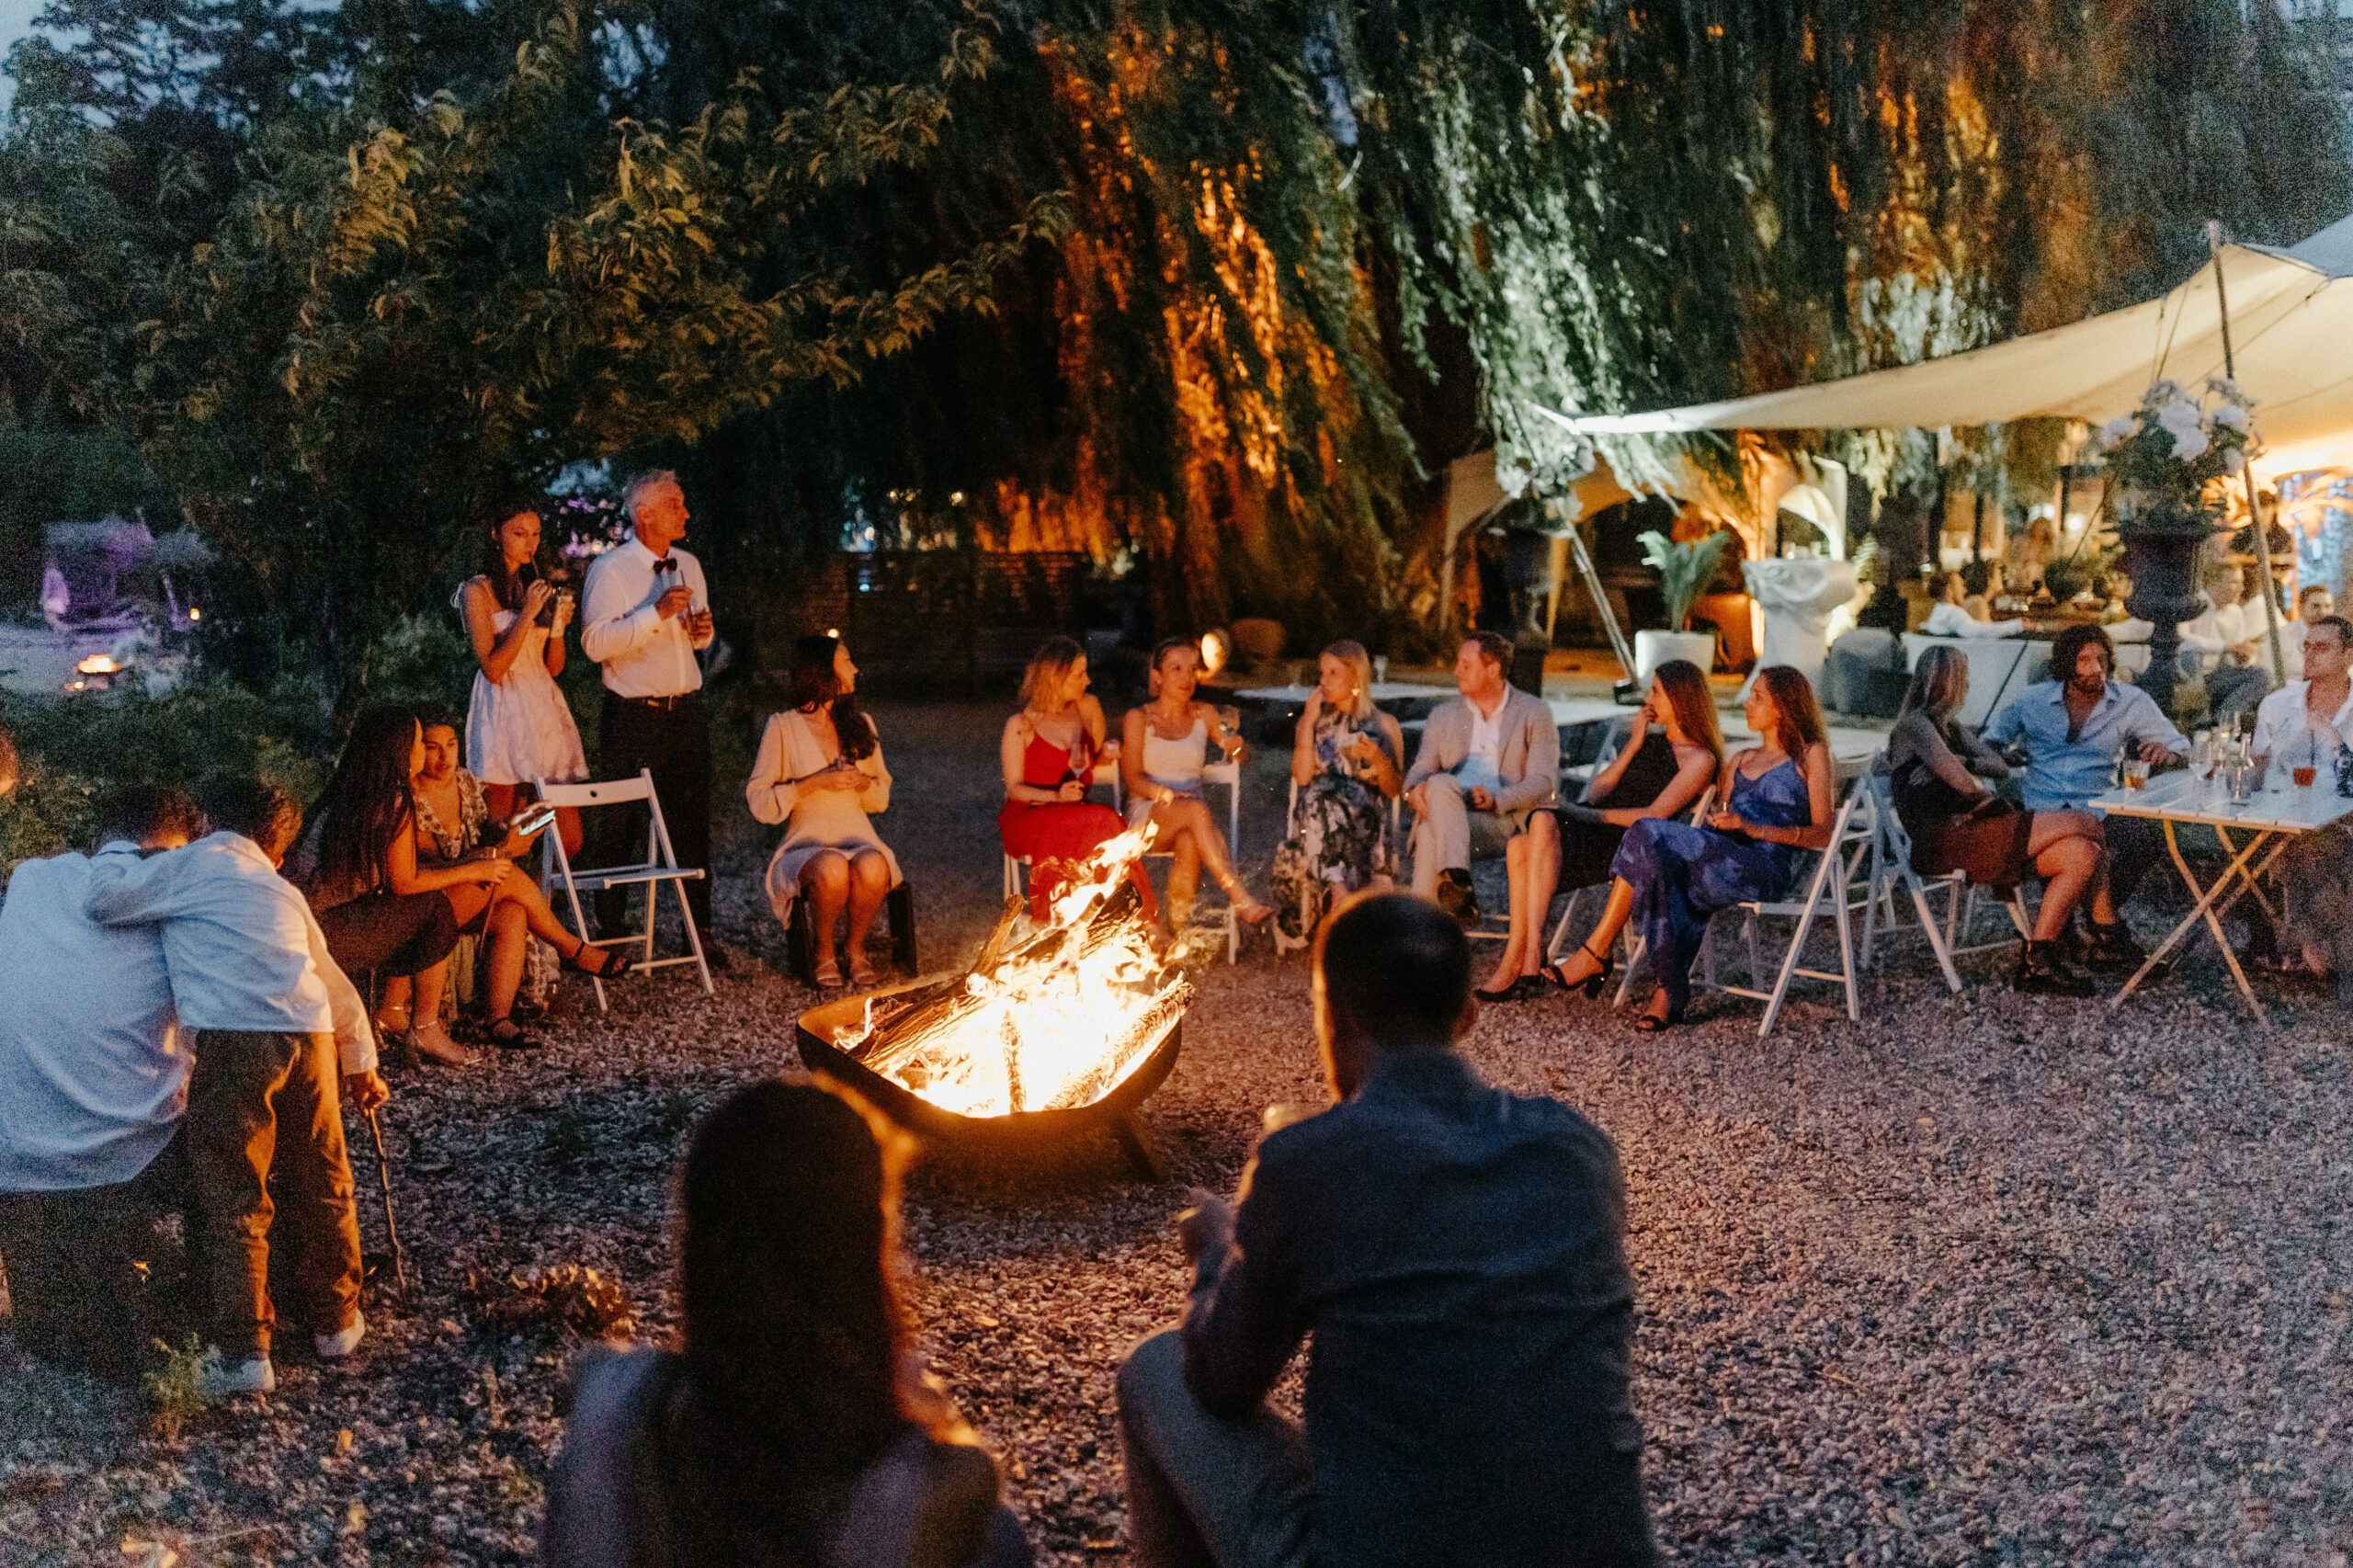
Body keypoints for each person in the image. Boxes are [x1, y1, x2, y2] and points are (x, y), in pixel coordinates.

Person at [1115, 892, 1655, 1568]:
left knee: (1155, 1369)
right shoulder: (1577, 1148)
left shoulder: (1306, 1162)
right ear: (1468, 1015)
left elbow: (1223, 1381)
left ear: (1329, 1014)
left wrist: (1219, 1251)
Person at [544, 1077, 1031, 1568]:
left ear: (699, 1252)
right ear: (864, 1252)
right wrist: (928, 1423)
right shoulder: (937, 1506)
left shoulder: (604, 1427)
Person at [81, 777, 384, 1400]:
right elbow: (330, 978)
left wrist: (120, 851)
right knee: (323, 1176)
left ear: (205, 822)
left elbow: (104, 902)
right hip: (312, 1034)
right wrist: (362, 1063)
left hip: (235, 1037)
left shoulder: (190, 865)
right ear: (274, 847)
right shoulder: (280, 890)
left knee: (234, 1187)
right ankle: (336, 1322)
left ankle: (245, 1351)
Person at [0, 785, 203, 1381]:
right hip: (130, 1156)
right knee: (253, 1070)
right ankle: (273, 1295)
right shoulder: (172, 886)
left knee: (56, 1333)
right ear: (170, 846)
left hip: (16, 1160)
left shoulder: (34, 880)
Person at [1547, 666, 1836, 1031]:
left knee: (1648, 834)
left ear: (1782, 706)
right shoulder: (1740, 760)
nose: (1747, 702)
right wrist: (1718, 818)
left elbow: (1823, 832)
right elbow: (1723, 819)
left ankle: (1602, 955)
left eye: (1757, 696)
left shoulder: (1811, 755)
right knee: (1656, 865)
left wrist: (1752, 828)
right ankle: (1666, 993)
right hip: (1724, 859)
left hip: (1765, 869)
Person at [1474, 660, 1720, 1000]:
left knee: (1542, 821)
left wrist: (1587, 816)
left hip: (1627, 843)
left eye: (1656, 692)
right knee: (1519, 845)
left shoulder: (1700, 759)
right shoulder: (1649, 743)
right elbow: (1597, 791)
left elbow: (1655, 815)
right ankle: (1522, 957)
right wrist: (1633, 744)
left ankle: (1527, 955)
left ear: (1680, 699)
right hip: (1596, 826)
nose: (1648, 699)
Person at [1883, 646, 2106, 995]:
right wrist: (1963, 772)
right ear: (1950, 682)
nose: (1969, 684)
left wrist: (1958, 760)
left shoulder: (1950, 728)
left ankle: (2039, 959)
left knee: (2083, 853)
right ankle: (2107, 930)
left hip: (1974, 829)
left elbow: (1998, 767)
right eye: (1964, 676)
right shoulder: (1916, 726)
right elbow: (1967, 787)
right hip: (1945, 840)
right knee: (2088, 823)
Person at [1984, 622, 2188, 969]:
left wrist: (2166, 754)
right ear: (2066, 665)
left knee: (2151, 837)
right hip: (2042, 809)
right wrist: (2002, 758)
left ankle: (2078, 916)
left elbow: (2181, 747)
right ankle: (2104, 933)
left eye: (2102, 659)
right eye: (2084, 660)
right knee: (2078, 840)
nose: (2096, 669)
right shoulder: (2031, 701)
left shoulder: (2130, 702)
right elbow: (1989, 743)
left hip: (2100, 805)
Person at [412, 718, 621, 1049]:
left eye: (451, 745)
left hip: (467, 890)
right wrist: (502, 851)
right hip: (427, 899)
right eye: (432, 747)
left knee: (512, 913)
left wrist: (513, 829)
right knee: (503, 874)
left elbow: (484, 837)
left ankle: (499, 1019)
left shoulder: (464, 782)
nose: (444, 757)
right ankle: (571, 947)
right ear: (415, 749)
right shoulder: (411, 795)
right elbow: (432, 869)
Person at [581, 470, 722, 960]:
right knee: (622, 821)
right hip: (632, 715)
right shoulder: (611, 570)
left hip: (685, 711)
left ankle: (697, 930)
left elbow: (698, 639)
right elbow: (595, 644)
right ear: (645, 514)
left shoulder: (690, 564)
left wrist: (701, 632)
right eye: (675, 503)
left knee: (692, 822)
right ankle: (612, 932)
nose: (685, 512)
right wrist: (653, 614)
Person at [292, 707, 472, 1066]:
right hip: (321, 936)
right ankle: (425, 1028)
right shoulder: (391, 800)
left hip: (302, 926)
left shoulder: (351, 791)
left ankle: (391, 1012)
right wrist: (471, 869)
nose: (424, 748)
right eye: (420, 741)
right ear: (401, 749)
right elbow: (406, 882)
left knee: (419, 903)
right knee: (434, 906)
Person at [746, 634, 902, 990]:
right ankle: (823, 950)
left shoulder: (860, 722)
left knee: (874, 865)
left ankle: (856, 947)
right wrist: (813, 783)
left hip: (857, 836)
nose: (855, 668)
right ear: (822, 670)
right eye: (846, 661)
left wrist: (861, 783)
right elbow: (758, 800)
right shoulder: (782, 726)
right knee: (831, 866)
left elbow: (881, 798)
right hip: (805, 845)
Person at [457, 496, 588, 859]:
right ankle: (503, 893)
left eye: (535, 534)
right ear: (496, 534)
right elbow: (493, 669)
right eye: (519, 532)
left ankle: (540, 875)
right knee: (503, 829)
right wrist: (527, 614)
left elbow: (553, 667)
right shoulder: (476, 591)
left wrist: (558, 625)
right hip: (502, 708)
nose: (529, 542)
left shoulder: (535, 583)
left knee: (567, 836)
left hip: (542, 707)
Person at [1403, 631, 1560, 926]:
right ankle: (1458, 882)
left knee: (1429, 832)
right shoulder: (1443, 715)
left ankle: (1420, 931)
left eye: (1465, 665)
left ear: (1493, 669)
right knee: (1438, 784)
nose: (1456, 671)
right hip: (1449, 806)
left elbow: (1544, 780)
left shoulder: (1534, 712)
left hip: (1500, 820)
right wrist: (1413, 791)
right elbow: (1421, 767)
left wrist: (1498, 799)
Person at [1121, 639, 1275, 932]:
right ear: (1158, 676)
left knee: (1190, 840)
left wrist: (1239, 748)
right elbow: (1133, 779)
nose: (1186, 678)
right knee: (1195, 811)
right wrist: (1164, 793)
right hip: (1149, 813)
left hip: (1192, 820)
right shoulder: (1139, 717)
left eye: (1191, 670)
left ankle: (1173, 935)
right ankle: (1239, 898)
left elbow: (1241, 756)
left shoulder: (1203, 713)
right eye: (1176, 669)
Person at [998, 636, 1154, 922]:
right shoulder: (1021, 724)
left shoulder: (1087, 707)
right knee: (1100, 821)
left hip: (1074, 813)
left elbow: (1093, 759)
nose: (1087, 680)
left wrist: (1109, 752)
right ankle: (1051, 925)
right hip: (1029, 815)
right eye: (1079, 674)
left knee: (1106, 821)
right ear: (1056, 677)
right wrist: (1055, 797)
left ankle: (1128, 921)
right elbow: (1014, 789)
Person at [1271, 641, 1404, 944]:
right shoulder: (1313, 722)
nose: (1323, 681)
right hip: (1318, 819)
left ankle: (1336, 901)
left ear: (1356, 678)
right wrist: (1307, 722)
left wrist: (1379, 760)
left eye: (1333, 673)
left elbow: (1395, 790)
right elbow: (1303, 775)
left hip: (1362, 823)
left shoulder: (1384, 724)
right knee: (1321, 798)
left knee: (1324, 800)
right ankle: (1341, 895)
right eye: (1322, 673)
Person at [2178, 562, 2272, 727]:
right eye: (2235, 582)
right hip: (2190, 675)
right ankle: (2222, 723)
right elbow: (2181, 641)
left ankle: (2224, 723)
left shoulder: (2235, 613)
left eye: (2242, 582)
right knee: (2189, 656)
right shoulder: (2192, 605)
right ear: (2215, 582)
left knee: (2260, 675)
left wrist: (2244, 656)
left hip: (2218, 676)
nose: (2241, 588)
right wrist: (2224, 646)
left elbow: (2237, 648)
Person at [1921, 571, 2023, 638]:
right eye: (1961, 586)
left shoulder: (1938, 612)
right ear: (1949, 589)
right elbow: (1981, 632)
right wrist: (2018, 625)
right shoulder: (1954, 613)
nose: (1964, 591)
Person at [2279, 583, 2335, 680]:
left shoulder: (2339, 637)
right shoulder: (2284, 635)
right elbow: (2274, 675)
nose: (2323, 612)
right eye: (2315, 606)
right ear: (2301, 608)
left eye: (2327, 606)